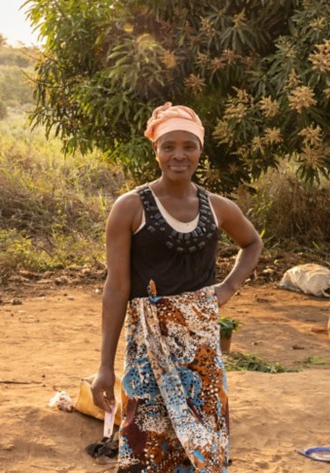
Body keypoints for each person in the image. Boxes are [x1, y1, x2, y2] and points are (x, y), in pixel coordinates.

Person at [91, 103, 262, 473]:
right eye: (169, 146)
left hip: (201, 353)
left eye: (189, 145)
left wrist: (227, 288)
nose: (179, 155)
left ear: (201, 151)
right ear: (156, 151)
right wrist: (104, 367)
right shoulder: (130, 208)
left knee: (203, 439)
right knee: (147, 442)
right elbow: (117, 286)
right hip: (147, 349)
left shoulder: (218, 207)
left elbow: (252, 243)